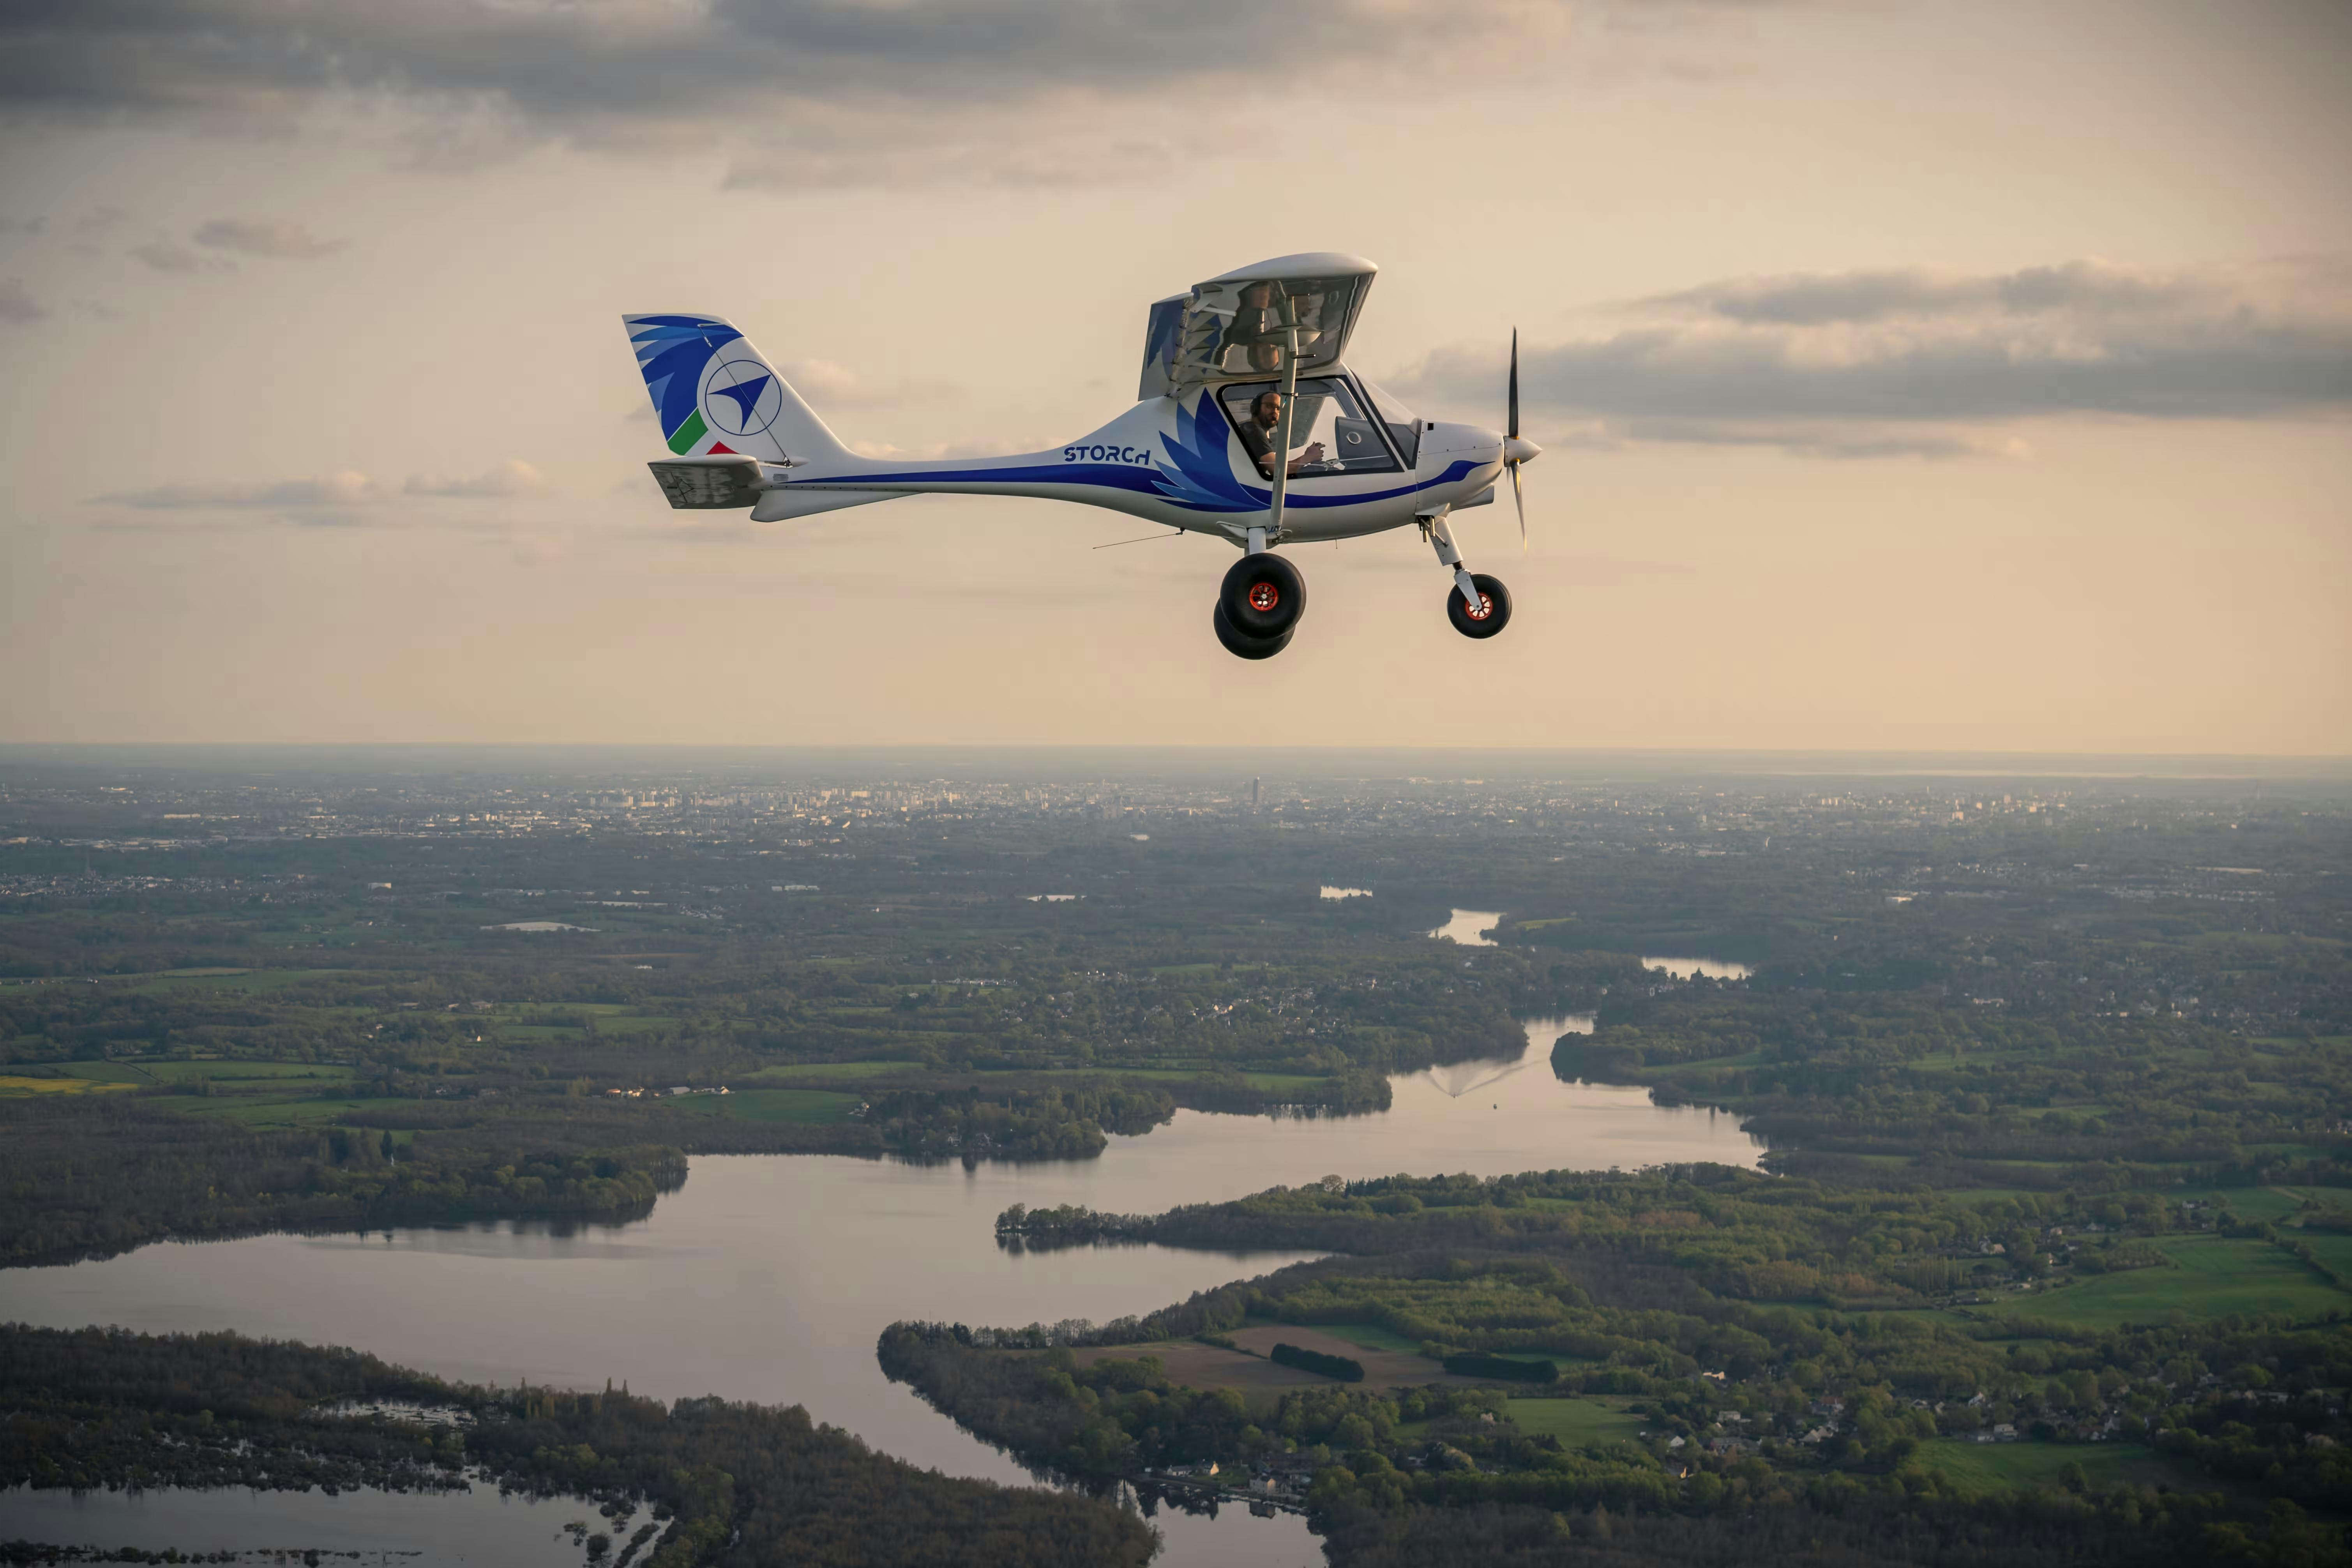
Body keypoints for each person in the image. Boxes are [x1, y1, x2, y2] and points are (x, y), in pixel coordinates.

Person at [1236, 390, 1325, 479]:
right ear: (1255, 409)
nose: (1275, 412)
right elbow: (1278, 471)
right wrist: (1308, 458)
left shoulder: (1254, 431)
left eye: (1278, 408)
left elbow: (1277, 467)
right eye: (1270, 406)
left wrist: (1308, 458)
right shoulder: (1254, 431)